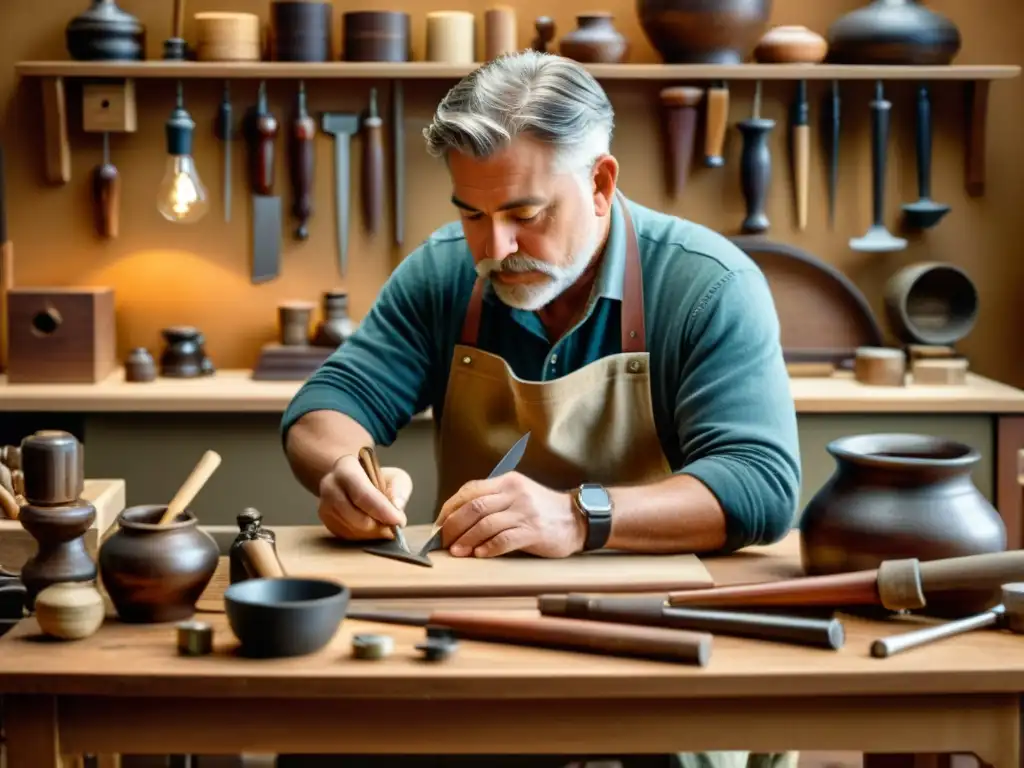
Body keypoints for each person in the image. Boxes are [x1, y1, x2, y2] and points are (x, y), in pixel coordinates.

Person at [279, 51, 800, 768]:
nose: (495, 247)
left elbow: (759, 484)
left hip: (658, 638)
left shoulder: (707, 285)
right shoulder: (444, 273)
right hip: (473, 629)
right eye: (472, 214)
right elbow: (327, 405)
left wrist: (578, 517)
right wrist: (344, 469)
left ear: (600, 184)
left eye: (525, 214)